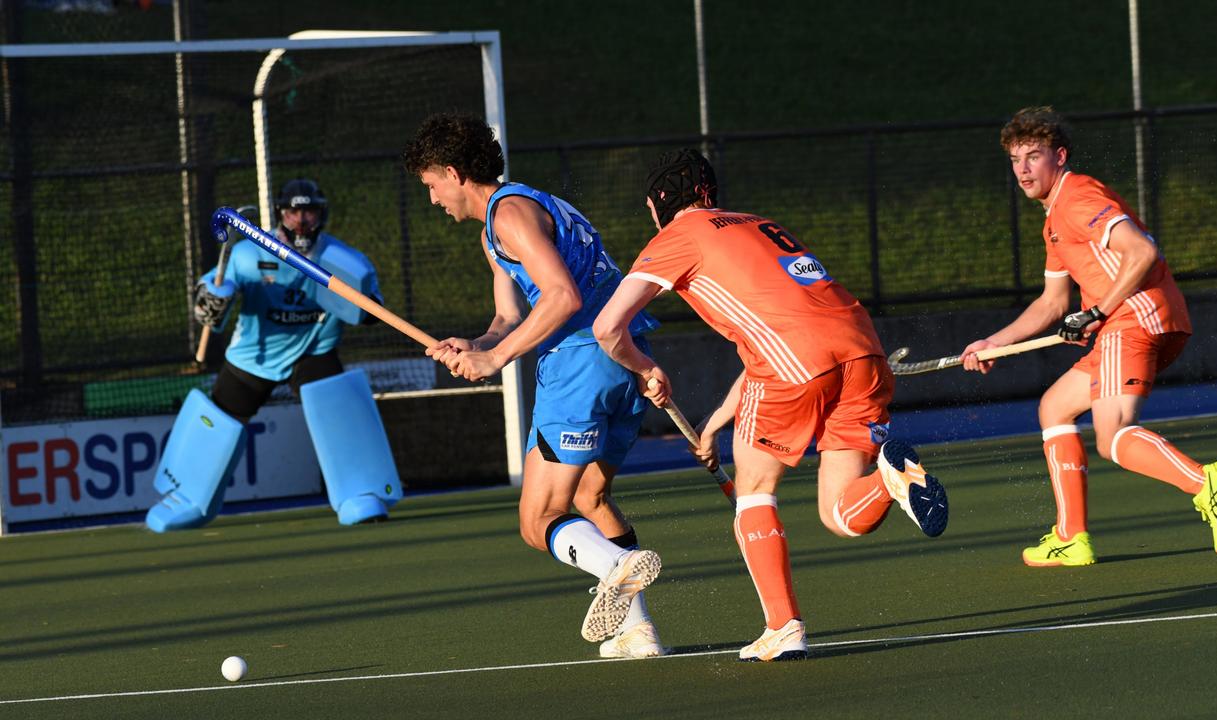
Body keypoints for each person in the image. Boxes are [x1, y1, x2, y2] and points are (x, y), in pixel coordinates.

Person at [592, 148, 949, 662]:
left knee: (754, 490)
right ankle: (893, 481)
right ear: (711, 192)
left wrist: (646, 369)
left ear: (659, 202)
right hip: (862, 348)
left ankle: (783, 628)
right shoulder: (760, 225)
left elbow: (608, 328)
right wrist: (715, 423)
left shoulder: (677, 236)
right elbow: (781, 336)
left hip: (793, 358)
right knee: (840, 513)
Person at [401, 112, 667, 659]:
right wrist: (476, 345)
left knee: (537, 521)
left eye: (431, 185)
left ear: (453, 173)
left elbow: (563, 298)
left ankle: (615, 566)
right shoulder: (514, 217)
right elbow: (508, 316)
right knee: (592, 497)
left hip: (578, 367)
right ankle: (637, 631)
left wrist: (497, 359)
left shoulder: (510, 217)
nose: (432, 200)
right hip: (623, 362)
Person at [960, 106, 1217, 566]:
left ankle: (1204, 482)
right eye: (1015, 159)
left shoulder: (1078, 198)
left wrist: (1094, 312)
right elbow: (1051, 304)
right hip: (1129, 324)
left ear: (1060, 156)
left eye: (1034, 156)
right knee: (1054, 407)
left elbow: (1143, 252)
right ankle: (1071, 536)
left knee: (1112, 436)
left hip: (1129, 321)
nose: (1023, 169)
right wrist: (996, 342)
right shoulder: (1053, 220)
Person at [146, 178, 402, 531]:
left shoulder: (341, 260)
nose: (301, 220)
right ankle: (186, 496)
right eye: (294, 212)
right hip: (256, 354)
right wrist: (213, 298)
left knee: (338, 405)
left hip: (313, 348)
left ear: (321, 215)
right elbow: (208, 307)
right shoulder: (249, 254)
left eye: (309, 212)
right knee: (219, 417)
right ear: (281, 213)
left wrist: (367, 306)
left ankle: (361, 492)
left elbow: (370, 314)